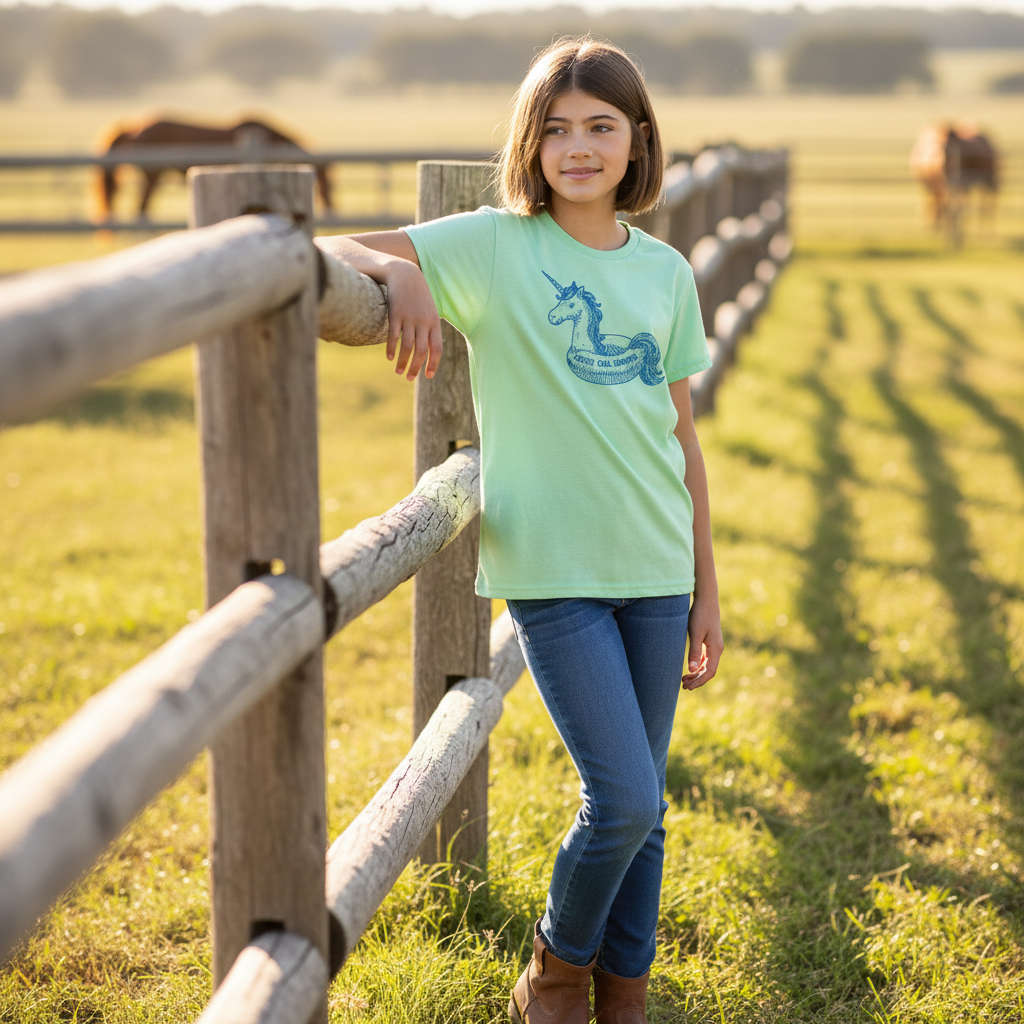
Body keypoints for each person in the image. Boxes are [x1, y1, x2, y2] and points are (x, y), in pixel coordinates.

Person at [321, 36, 723, 1024]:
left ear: (637, 141)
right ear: (530, 145)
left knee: (648, 814)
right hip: (552, 569)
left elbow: (681, 435)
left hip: (658, 566)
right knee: (620, 799)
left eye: (599, 126)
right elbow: (330, 251)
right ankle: (551, 969)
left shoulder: (666, 271)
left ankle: (622, 999)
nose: (577, 146)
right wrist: (407, 282)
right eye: (555, 129)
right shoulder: (496, 246)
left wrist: (707, 585)